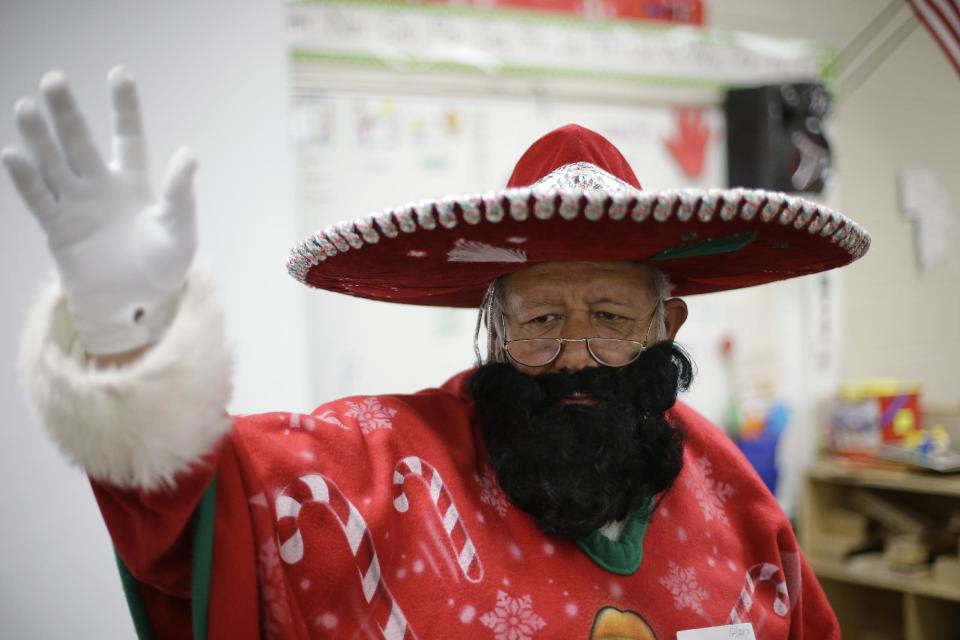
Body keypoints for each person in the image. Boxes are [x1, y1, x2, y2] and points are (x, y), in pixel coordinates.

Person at [5, 67, 869, 639]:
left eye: (609, 314)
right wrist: (128, 337)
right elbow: (205, 496)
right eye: (537, 323)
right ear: (490, 327)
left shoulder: (732, 493)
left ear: (666, 327)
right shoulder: (381, 467)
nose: (575, 357)